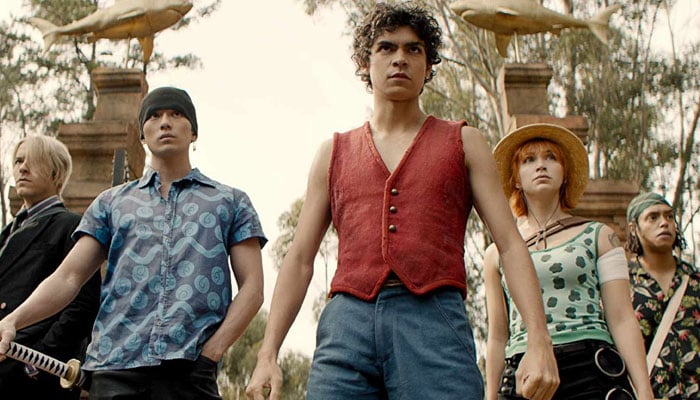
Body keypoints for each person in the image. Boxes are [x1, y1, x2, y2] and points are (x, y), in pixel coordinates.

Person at [246, 3, 559, 400]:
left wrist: (538, 338)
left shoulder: (464, 142)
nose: (400, 58)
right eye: (386, 47)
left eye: (414, 49)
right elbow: (300, 258)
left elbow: (510, 244)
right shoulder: (333, 152)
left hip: (434, 323)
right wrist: (268, 353)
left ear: (428, 67)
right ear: (365, 62)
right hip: (346, 329)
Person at [0, 87, 267, 400]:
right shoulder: (110, 203)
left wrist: (213, 352)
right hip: (113, 369)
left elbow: (253, 288)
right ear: (143, 134)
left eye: (176, 114)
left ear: (193, 132)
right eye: (154, 116)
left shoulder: (230, 202)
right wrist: (13, 320)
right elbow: (68, 277)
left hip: (191, 369)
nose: (164, 122)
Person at [485, 123, 654, 400]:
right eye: (529, 160)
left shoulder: (601, 236)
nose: (541, 165)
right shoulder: (496, 253)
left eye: (551, 157)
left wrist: (644, 390)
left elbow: (622, 317)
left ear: (564, 174)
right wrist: (490, 395)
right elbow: (497, 336)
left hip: (590, 368)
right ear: (516, 179)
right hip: (525, 372)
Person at [0, 135, 101, 399]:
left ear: (56, 173)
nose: (22, 168)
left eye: (32, 161)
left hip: (32, 374)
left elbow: (83, 304)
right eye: (18, 161)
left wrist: (35, 364)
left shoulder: (71, 225)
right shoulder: (8, 232)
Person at [626, 192, 700, 399]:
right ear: (634, 228)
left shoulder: (694, 280)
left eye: (669, 216)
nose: (664, 223)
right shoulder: (620, 285)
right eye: (653, 217)